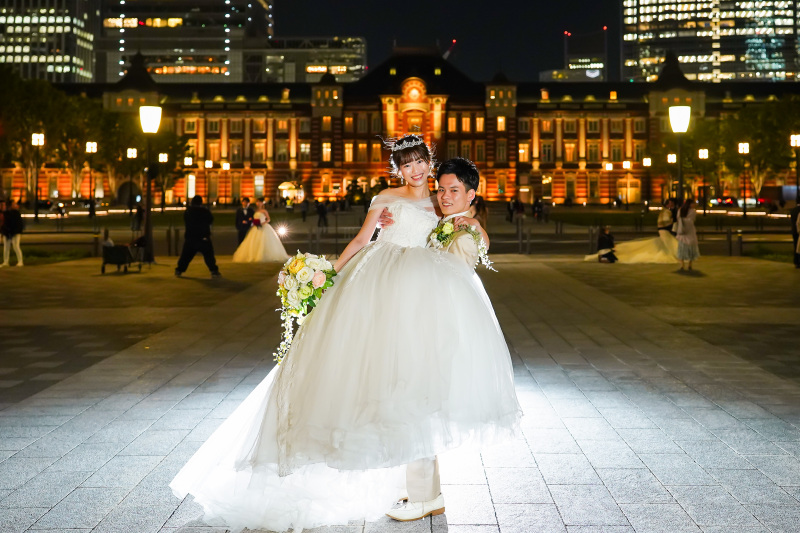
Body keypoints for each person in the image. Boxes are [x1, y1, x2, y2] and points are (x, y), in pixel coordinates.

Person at [170, 135, 521, 532]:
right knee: (382, 379)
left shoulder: (443, 202)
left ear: (429, 160)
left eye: (420, 161)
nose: (416, 171)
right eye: (406, 165)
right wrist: (327, 276)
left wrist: (472, 223)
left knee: (414, 382)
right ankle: (422, 488)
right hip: (377, 289)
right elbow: (360, 240)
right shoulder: (388, 198)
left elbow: (467, 235)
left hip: (419, 300)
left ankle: (425, 490)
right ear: (397, 169)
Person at [174, 195, 221, 278]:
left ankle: (179, 270)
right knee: (209, 256)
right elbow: (210, 220)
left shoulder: (188, 211)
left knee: (186, 256)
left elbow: (186, 220)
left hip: (191, 237)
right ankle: (214, 270)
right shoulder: (205, 211)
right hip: (203, 237)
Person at [232, 198, 289, 263]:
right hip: (256, 227)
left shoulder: (264, 211)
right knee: (253, 241)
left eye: (259, 202)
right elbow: (254, 218)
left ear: (262, 203)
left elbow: (268, 219)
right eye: (257, 202)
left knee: (264, 241)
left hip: (264, 226)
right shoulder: (255, 210)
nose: (258, 203)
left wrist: (263, 223)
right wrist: (253, 222)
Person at [676, 198, 700, 270]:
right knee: (691, 248)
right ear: (690, 204)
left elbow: (678, 218)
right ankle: (689, 264)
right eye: (693, 203)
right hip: (689, 231)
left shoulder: (680, 210)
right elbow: (691, 221)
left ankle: (682, 265)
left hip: (682, 231)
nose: (695, 205)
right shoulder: (692, 211)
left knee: (682, 248)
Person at [1, 199, 24, 267]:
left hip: (15, 232)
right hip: (7, 232)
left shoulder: (16, 213)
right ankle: (6, 262)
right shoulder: (6, 213)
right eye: (14, 204)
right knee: (6, 247)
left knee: (16, 246)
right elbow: (4, 223)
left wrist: (15, 231)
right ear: (10, 205)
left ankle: (20, 261)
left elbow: (18, 224)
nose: (16, 205)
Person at [791, 203, 800, 268]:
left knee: (796, 246)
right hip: (798, 231)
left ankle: (796, 261)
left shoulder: (793, 210)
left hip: (794, 231)